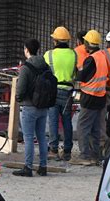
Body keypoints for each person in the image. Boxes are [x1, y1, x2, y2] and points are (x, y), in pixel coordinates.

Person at [71, 30, 108, 165]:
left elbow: (82, 76)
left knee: (83, 127)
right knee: (95, 128)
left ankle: (84, 155)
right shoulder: (102, 56)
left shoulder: (91, 59)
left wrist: (76, 72)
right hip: (100, 96)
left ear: (87, 43)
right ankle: (95, 155)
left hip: (90, 96)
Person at [13, 39, 50, 177]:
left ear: (27, 50)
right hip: (43, 106)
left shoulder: (26, 68)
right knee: (41, 137)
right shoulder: (45, 66)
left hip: (29, 106)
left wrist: (19, 98)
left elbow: (20, 89)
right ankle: (43, 166)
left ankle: (28, 167)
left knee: (28, 137)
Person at [44, 27, 77, 161]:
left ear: (55, 41)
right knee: (66, 120)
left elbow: (44, 73)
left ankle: (53, 150)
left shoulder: (48, 55)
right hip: (68, 91)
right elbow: (75, 72)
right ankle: (67, 151)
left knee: (53, 121)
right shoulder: (74, 54)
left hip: (53, 90)